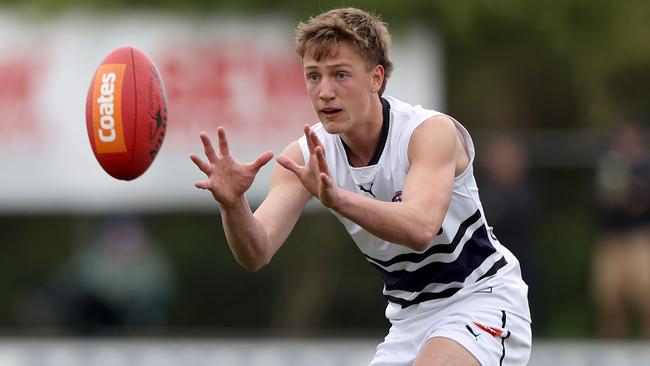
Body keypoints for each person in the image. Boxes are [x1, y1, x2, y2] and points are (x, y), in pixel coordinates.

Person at [190, 7, 531, 365]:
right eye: (313, 76)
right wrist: (233, 206)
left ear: (376, 78)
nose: (324, 92)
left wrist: (338, 199)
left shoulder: (428, 133)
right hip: (409, 320)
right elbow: (257, 252)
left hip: (481, 298)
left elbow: (420, 227)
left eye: (340, 75)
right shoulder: (306, 155)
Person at [592, 120, 650, 338]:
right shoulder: (607, 165)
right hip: (612, 239)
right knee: (609, 301)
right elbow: (600, 203)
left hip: (639, 238)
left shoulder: (645, 166)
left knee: (646, 300)